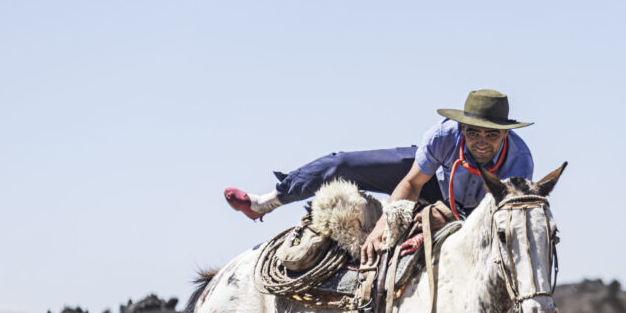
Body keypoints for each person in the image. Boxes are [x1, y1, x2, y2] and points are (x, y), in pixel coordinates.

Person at [225, 89, 534, 264]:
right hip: (428, 182)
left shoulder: (519, 164)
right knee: (342, 163)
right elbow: (412, 183)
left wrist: (453, 220)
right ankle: (266, 201)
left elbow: (501, 220)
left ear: (505, 134)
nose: (481, 141)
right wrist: (385, 225)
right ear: (460, 128)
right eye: (472, 132)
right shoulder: (442, 135)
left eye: (491, 135)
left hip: (475, 211)